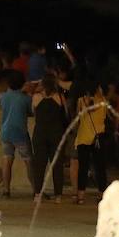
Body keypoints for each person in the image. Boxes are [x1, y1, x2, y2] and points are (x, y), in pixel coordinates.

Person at [0, 70, 36, 198]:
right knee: (28, 161)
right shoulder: (25, 98)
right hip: (20, 133)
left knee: (7, 160)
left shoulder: (3, 97)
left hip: (5, 133)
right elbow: (31, 113)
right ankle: (35, 189)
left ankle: (6, 190)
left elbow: (2, 108)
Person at [31, 74, 67, 202]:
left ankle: (37, 195)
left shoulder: (36, 97)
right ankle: (58, 196)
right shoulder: (60, 98)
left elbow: (34, 113)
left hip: (40, 133)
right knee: (57, 164)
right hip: (56, 133)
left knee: (39, 165)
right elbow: (65, 114)